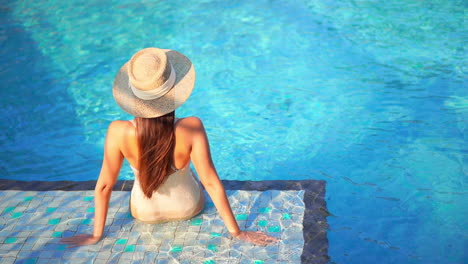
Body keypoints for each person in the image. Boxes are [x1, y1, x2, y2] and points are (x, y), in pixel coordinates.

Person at [60, 47, 279, 247]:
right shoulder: (192, 127)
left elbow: (104, 186)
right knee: (189, 171)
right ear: (173, 91)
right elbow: (211, 182)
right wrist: (237, 232)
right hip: (187, 208)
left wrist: (96, 235)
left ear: (133, 94)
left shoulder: (118, 131)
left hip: (144, 212)